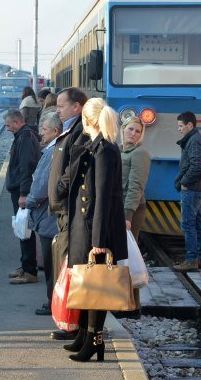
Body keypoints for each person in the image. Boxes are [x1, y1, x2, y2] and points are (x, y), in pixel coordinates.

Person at [57, 97, 127, 362]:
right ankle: (85, 336)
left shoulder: (105, 151)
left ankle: (95, 340)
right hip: (85, 227)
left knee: (98, 287)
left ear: (86, 119)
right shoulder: (95, 147)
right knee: (87, 283)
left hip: (97, 230)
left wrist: (99, 239)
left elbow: (102, 197)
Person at [47, 87, 88, 341]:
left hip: (70, 211)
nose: (57, 109)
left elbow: (73, 168)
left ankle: (73, 325)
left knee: (70, 266)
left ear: (77, 106)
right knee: (64, 265)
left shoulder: (79, 132)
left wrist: (60, 191)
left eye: (61, 105)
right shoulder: (70, 130)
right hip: (64, 210)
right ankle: (69, 322)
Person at [25, 111, 63, 315]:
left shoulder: (51, 152)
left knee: (51, 264)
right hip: (49, 216)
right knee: (52, 264)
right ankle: (53, 302)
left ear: (55, 131)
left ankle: (53, 303)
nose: (40, 133)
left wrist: (29, 202)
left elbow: (41, 185)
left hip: (48, 216)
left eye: (44, 129)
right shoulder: (54, 149)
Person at [4, 109, 41, 284]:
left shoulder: (25, 138)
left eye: (8, 125)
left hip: (21, 190)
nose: (7, 128)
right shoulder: (22, 136)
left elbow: (26, 166)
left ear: (17, 122)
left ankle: (29, 270)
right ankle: (26, 266)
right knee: (22, 229)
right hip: (19, 189)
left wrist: (23, 194)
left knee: (24, 230)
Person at [120, 115, 151, 318]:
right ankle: (123, 302)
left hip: (130, 210)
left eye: (137, 131)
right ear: (123, 129)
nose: (133, 133)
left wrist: (127, 215)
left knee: (129, 256)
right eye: (130, 129)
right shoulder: (119, 151)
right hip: (118, 208)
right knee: (121, 257)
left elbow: (135, 187)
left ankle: (133, 306)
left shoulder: (140, 153)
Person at [173, 112, 201, 272]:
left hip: (192, 189)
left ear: (190, 125)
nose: (179, 129)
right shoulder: (195, 139)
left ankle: (191, 259)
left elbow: (197, 166)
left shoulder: (194, 141)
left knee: (187, 224)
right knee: (197, 223)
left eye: (181, 126)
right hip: (198, 188)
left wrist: (184, 183)